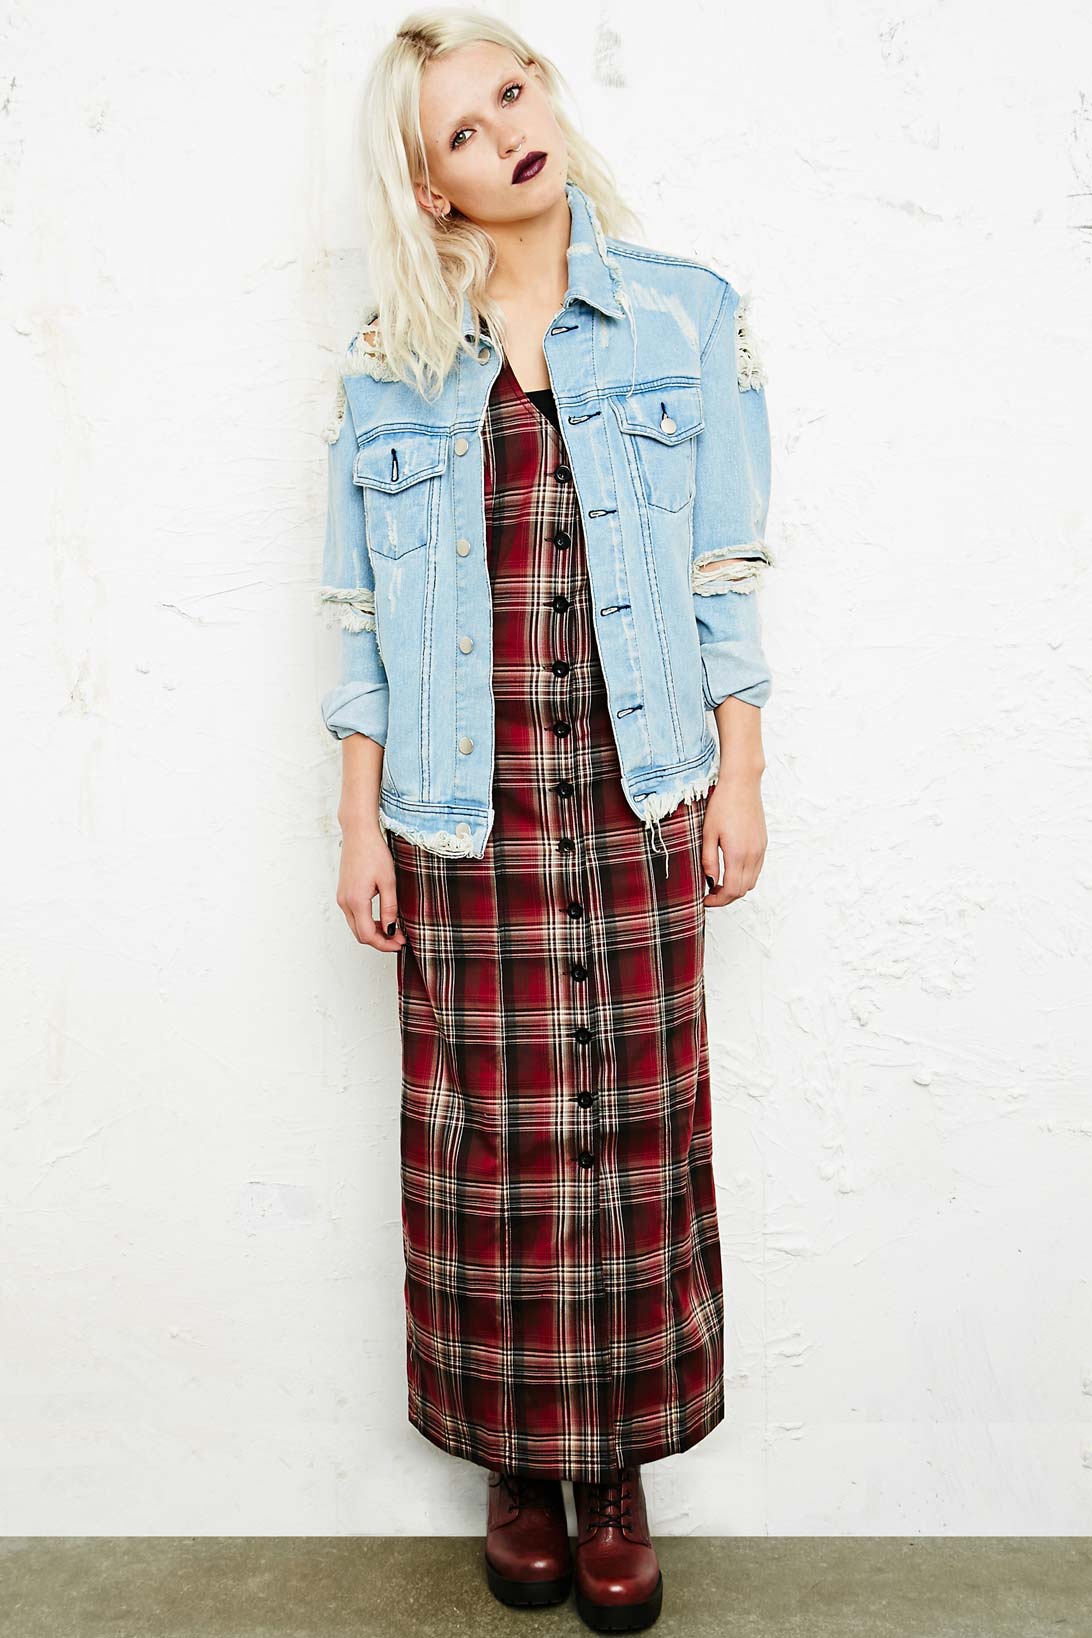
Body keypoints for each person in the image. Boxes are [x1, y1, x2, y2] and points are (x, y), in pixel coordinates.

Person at [317, 9, 773, 1631]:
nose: (507, 128)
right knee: (482, 1145)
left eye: (513, 91)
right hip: (462, 808)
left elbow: (726, 569)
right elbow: (359, 618)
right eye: (462, 127)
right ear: (431, 187)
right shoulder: (392, 358)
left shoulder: (686, 313)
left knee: (638, 1126)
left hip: (638, 787)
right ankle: (518, 1461)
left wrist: (742, 772)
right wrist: (357, 824)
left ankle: (618, 1464)